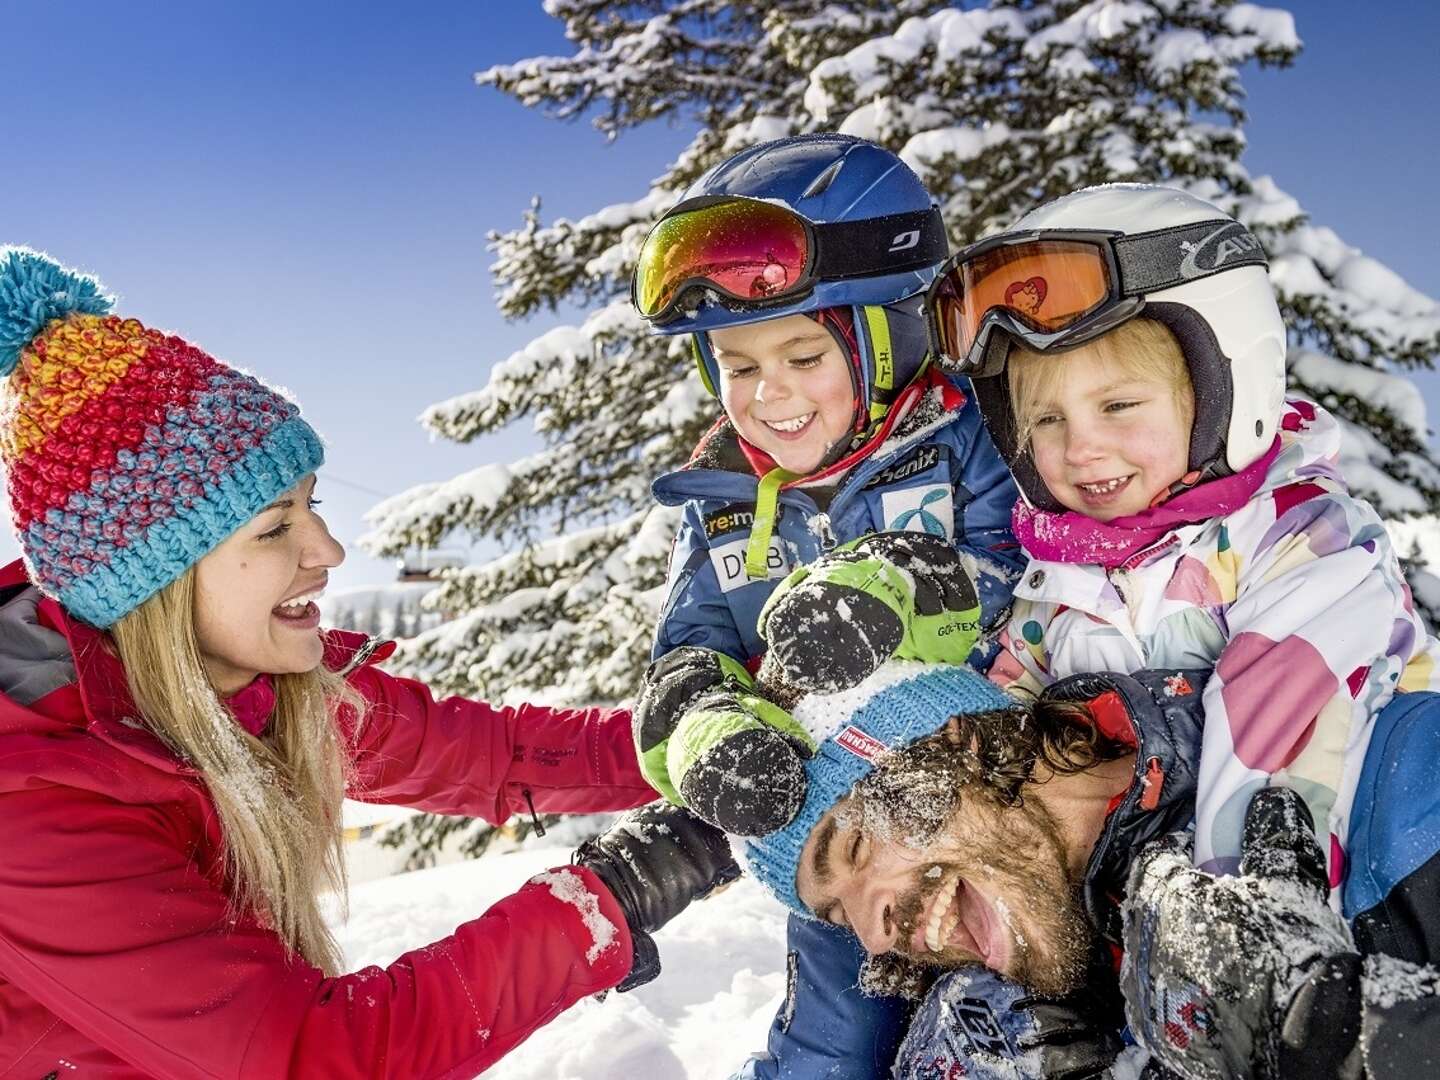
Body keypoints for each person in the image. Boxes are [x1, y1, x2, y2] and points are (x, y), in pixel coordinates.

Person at [0, 247, 738, 1079]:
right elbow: (314, 1059)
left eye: (311, 506)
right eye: (276, 528)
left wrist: (702, 738)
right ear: (155, 580)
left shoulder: (253, 689)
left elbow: (492, 754)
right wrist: (606, 901)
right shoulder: (34, 805)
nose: (329, 549)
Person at [763, 182, 1440, 884]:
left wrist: (1247, 910)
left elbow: (1275, 746)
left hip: (1369, 877)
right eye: (1048, 421)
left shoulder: (1301, 538)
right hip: (1161, 899)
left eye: (1118, 405)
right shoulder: (1056, 589)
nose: (1081, 448)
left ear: (1230, 384)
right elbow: (1009, 738)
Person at [628, 134, 1025, 1077]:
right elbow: (687, 657)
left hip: (982, 812)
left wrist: (898, 591)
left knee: (1014, 1016)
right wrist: (705, 729)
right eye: (735, 363)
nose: (769, 396)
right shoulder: (719, 501)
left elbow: (1027, 575)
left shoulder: (964, 439)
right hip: (839, 849)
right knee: (830, 1047)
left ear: (888, 334)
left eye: (803, 354)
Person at [742, 660, 1440, 1078]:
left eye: (856, 849)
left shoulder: (1401, 773)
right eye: (838, 915)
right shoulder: (1040, 1021)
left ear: (957, 741)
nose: (873, 933)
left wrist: (1327, 1032)